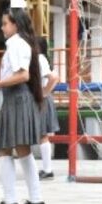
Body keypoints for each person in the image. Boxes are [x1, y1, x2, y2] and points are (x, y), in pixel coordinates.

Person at [0, 6, 46, 204]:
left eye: (5, 24)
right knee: (22, 149)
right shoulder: (22, 44)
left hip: (16, 98)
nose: (2, 28)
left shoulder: (17, 44)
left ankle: (11, 201)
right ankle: (35, 199)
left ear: (15, 24)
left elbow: (22, 75)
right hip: (18, 98)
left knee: (5, 149)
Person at [36, 36, 60, 180]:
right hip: (41, 97)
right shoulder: (40, 58)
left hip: (41, 99)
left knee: (42, 134)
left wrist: (44, 92)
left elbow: (53, 77)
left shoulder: (39, 59)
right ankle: (46, 168)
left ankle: (47, 169)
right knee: (41, 134)